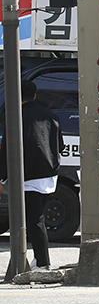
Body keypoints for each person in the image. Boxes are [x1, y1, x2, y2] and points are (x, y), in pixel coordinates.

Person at [0, 80, 64, 271]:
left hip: (27, 176)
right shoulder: (51, 116)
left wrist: (2, 177)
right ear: (34, 95)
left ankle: (43, 263)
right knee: (37, 218)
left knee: (34, 220)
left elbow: (7, 150)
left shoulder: (15, 116)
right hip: (50, 175)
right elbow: (60, 146)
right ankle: (40, 260)